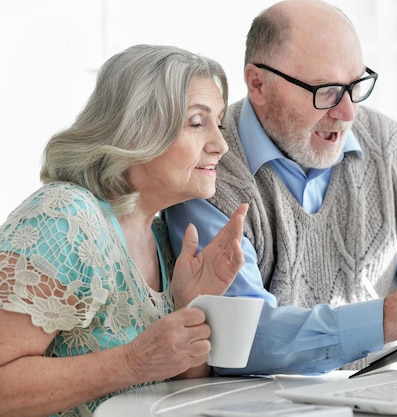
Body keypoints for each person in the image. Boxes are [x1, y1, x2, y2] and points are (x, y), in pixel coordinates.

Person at [165, 0, 397, 376]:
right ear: (258, 84)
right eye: (328, 90)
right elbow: (240, 338)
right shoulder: (208, 168)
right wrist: (390, 317)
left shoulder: (390, 148)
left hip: (380, 390)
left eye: (356, 85)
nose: (348, 112)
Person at [0, 44, 249, 417]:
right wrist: (132, 361)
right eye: (197, 124)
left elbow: (177, 399)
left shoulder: (166, 237)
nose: (221, 145)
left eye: (219, 125)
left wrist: (190, 309)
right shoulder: (65, 217)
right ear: (136, 129)